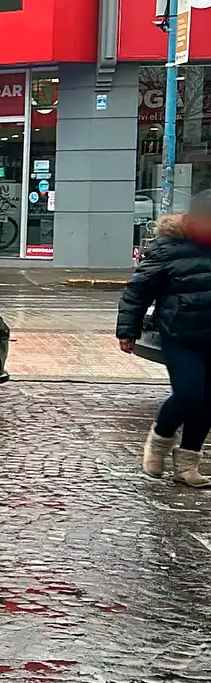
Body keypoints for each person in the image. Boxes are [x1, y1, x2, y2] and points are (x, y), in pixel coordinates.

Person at [117, 190, 211, 486]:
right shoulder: (168, 247)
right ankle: (159, 440)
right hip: (179, 333)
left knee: (208, 402)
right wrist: (128, 330)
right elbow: (138, 291)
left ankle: (187, 464)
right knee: (189, 393)